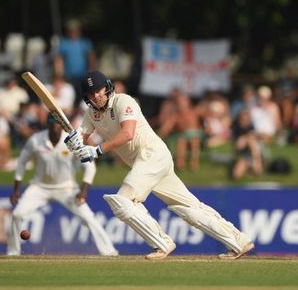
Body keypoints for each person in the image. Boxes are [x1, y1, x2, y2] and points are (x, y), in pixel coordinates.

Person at [64, 71, 254, 260]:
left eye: (99, 90)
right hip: (145, 162)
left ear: (107, 87)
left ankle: (162, 243)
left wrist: (97, 150)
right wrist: (74, 143)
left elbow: (128, 133)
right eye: (91, 93)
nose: (97, 96)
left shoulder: (123, 101)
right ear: (87, 97)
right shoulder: (92, 114)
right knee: (189, 209)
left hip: (152, 155)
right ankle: (239, 241)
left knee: (123, 201)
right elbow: (80, 135)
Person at [7, 114, 118, 256]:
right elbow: (22, 161)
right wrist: (16, 189)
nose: (54, 127)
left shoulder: (71, 141)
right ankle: (13, 253)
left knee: (89, 218)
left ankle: (110, 253)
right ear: (47, 125)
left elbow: (90, 166)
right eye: (51, 124)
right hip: (39, 187)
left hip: (67, 188)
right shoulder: (36, 140)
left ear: (62, 125)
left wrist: (83, 190)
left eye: (57, 124)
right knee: (17, 214)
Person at [54, 19, 97, 107]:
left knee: (84, 97)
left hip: (83, 76)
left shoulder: (85, 43)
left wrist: (91, 71)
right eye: (71, 30)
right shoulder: (64, 43)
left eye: (75, 29)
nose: (73, 32)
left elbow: (91, 58)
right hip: (68, 77)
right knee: (71, 97)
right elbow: (59, 60)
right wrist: (59, 74)